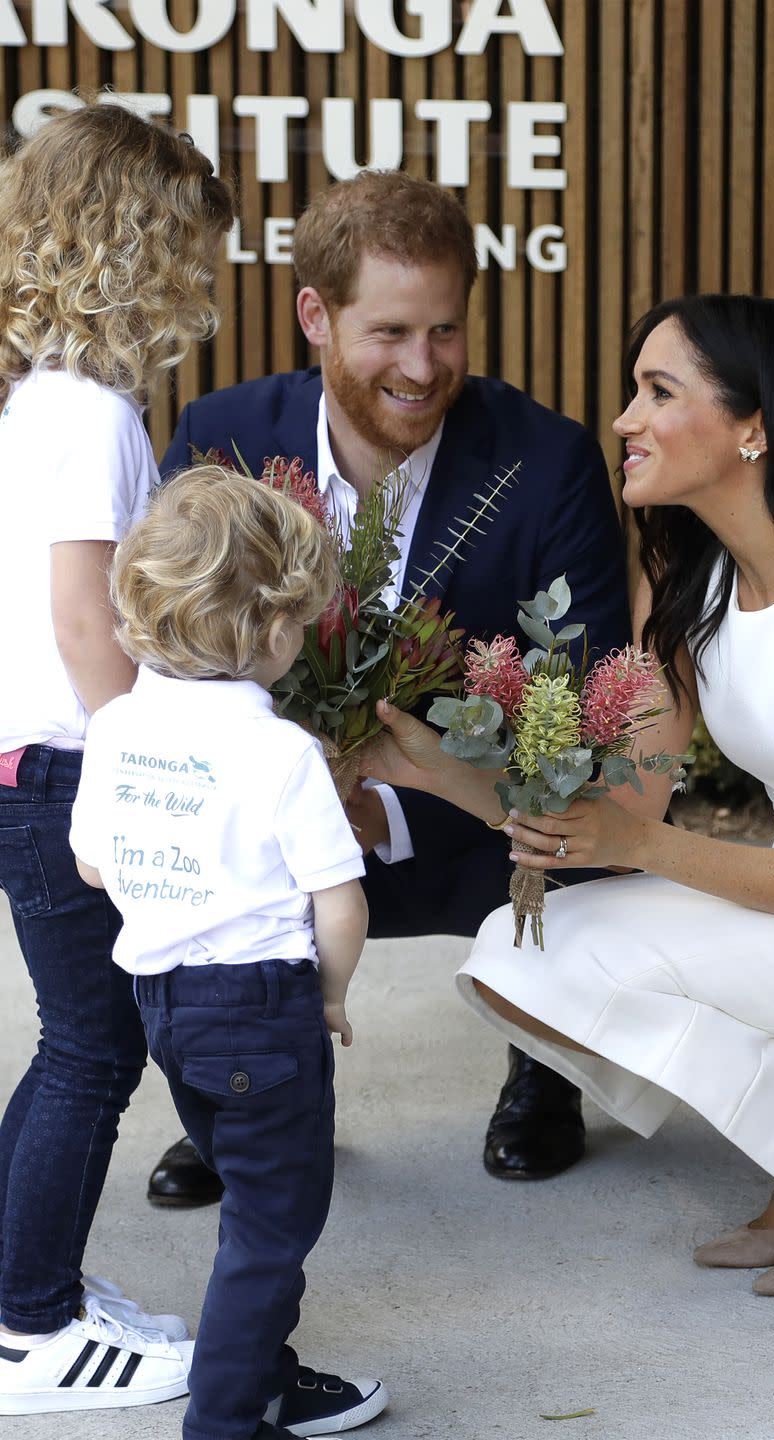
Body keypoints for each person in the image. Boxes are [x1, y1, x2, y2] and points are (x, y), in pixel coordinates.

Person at [361, 292, 774, 1297]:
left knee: (575, 951)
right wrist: (419, 764)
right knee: (519, 952)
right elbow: (618, 814)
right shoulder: (696, 584)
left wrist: (642, 851)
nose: (625, 420)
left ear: (755, 426)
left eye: (658, 391)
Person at [149, 167, 631, 1205]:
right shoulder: (221, 439)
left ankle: (546, 1064)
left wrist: (400, 785)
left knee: (594, 819)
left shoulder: (546, 459)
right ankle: (247, 1092)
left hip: (468, 825)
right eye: (392, 333)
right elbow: (173, 666)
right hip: (274, 830)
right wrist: (299, 781)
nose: (425, 366)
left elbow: (583, 691)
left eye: (446, 331)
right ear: (315, 315)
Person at [69, 466, 388, 1440]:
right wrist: (330, 995)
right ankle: (224, 1421)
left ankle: (266, 1372)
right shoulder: (279, 751)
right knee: (272, 1226)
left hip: (165, 1010)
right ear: (275, 630)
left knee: (250, 1200)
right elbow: (342, 906)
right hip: (263, 1011)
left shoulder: (117, 725)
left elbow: (90, 863)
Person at [0, 103, 234, 1414]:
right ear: (126, 244)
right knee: (92, 1050)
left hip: (28, 769)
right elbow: (87, 620)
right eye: (185, 252)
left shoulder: (40, 397)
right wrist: (156, 774)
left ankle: (20, 1294)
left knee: (74, 1041)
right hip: (70, 774)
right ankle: (29, 1329)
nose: (195, 285)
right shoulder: (85, 410)